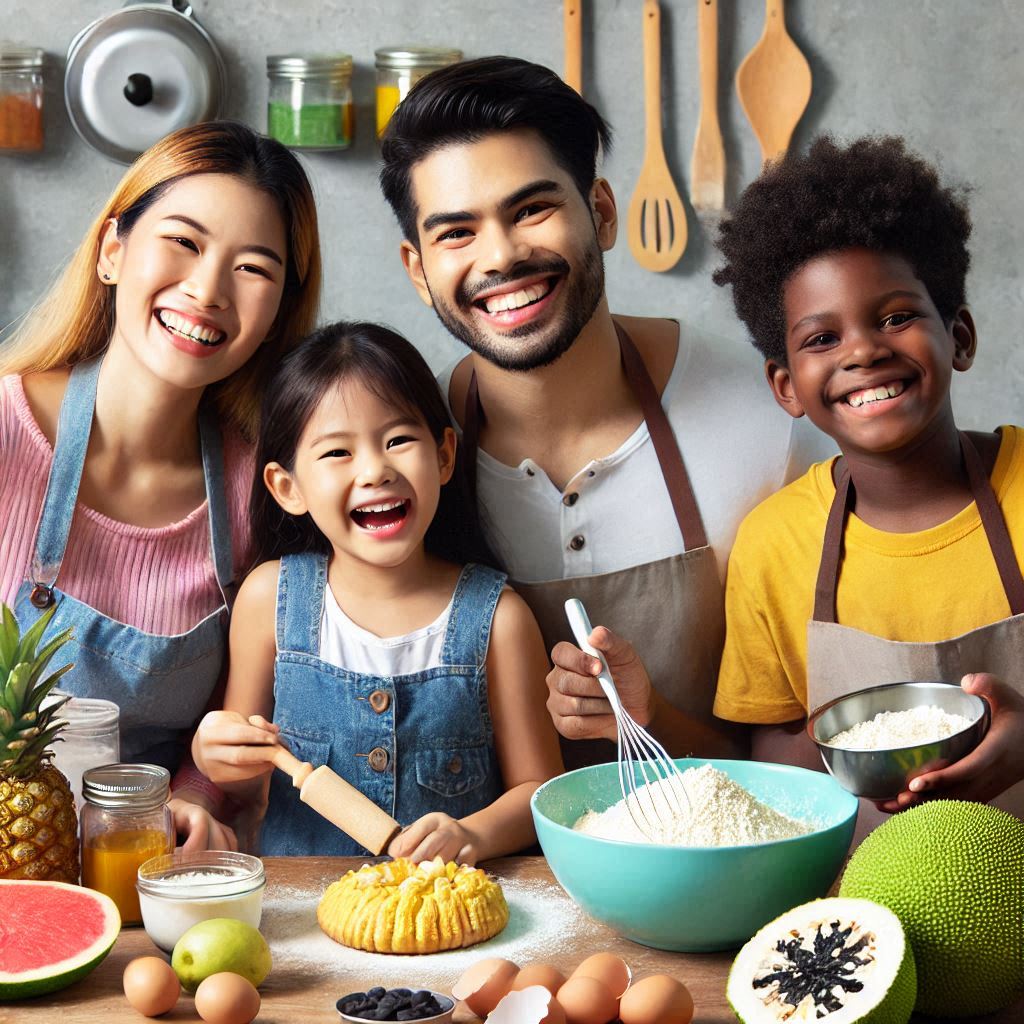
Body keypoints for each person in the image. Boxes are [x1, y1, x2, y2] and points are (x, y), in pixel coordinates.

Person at [379, 56, 829, 768]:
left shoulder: (768, 424)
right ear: (416, 268)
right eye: (456, 233)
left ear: (603, 213)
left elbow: (801, 749)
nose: (501, 256)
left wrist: (650, 720)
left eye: (532, 209)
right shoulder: (394, 464)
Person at [0, 120, 322, 848]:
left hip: (148, 864)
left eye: (254, 268)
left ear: (276, 315)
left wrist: (196, 800)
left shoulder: (262, 490)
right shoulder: (3, 433)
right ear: (113, 250)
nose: (208, 290)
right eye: (183, 241)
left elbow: (230, 717)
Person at [709, 135, 1024, 821]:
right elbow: (780, 754)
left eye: (896, 316)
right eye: (823, 339)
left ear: (959, 337)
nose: (863, 350)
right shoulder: (774, 542)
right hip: (860, 899)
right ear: (787, 386)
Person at [192, 322, 563, 862]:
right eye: (337, 453)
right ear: (287, 487)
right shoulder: (269, 599)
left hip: (446, 921)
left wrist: (474, 835)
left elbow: (539, 794)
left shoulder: (499, 619)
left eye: (397, 441)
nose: (374, 471)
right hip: (302, 923)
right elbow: (248, 791)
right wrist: (217, 756)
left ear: (443, 456)